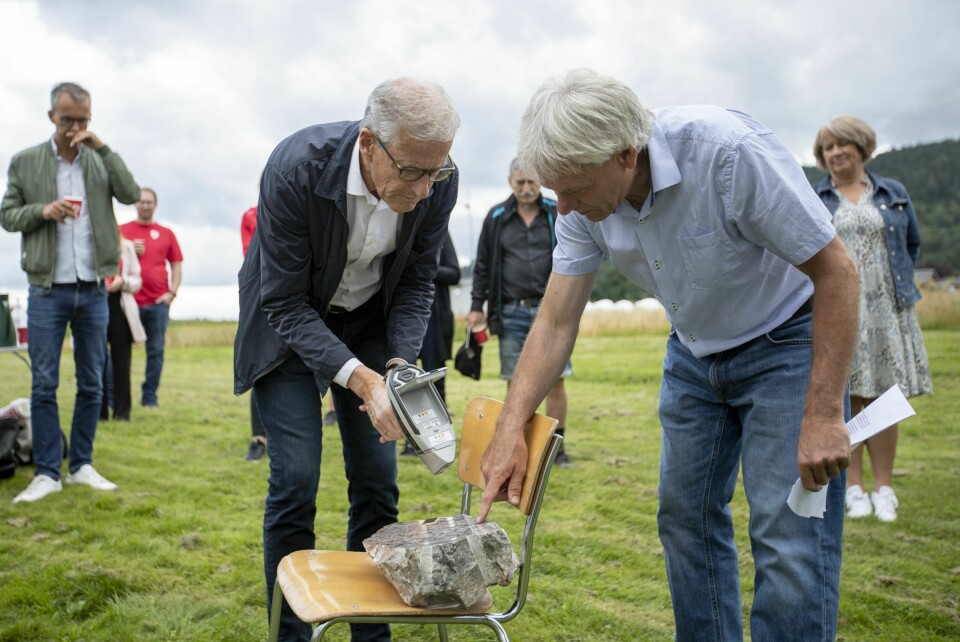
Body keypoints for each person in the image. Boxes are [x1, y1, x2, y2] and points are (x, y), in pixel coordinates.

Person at [476, 69, 859, 641]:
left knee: (788, 533)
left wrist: (825, 413)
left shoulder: (727, 154)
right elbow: (556, 320)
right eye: (557, 191)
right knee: (684, 520)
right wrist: (511, 425)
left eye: (575, 189)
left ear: (625, 155)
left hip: (787, 343)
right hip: (694, 355)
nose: (567, 208)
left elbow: (838, 272)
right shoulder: (582, 204)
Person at [233, 77, 460, 642]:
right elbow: (282, 299)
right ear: (367, 144)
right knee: (296, 481)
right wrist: (360, 381)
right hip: (288, 324)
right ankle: (293, 634)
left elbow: (415, 282)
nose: (427, 189)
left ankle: (369, 633)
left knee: (378, 485)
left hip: (371, 325)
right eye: (412, 172)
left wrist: (398, 367)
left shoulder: (436, 179)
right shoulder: (295, 168)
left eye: (438, 171)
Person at [1, 82, 140, 503]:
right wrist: (44, 211)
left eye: (83, 120)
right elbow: (7, 215)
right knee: (44, 384)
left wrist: (103, 147)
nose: (75, 128)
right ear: (51, 118)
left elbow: (132, 195)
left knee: (91, 383)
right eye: (68, 120)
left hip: (94, 289)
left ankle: (80, 465)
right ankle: (47, 472)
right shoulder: (25, 162)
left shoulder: (98, 161)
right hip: (46, 289)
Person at [812, 116, 932, 523]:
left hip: (887, 310)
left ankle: (885, 488)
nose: (835, 153)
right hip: (837, 311)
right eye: (827, 148)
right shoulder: (817, 197)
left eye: (842, 144)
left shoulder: (892, 193)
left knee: (884, 399)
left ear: (861, 147)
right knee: (849, 398)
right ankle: (855, 489)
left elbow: (911, 243)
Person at [468, 159, 574, 466]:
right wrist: (477, 306)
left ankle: (557, 449)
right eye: (520, 183)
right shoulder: (497, 217)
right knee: (516, 383)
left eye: (531, 182)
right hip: (511, 310)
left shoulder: (558, 211)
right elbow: (483, 265)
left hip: (552, 310)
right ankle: (520, 444)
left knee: (557, 380)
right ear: (509, 182)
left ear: (540, 182)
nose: (526, 189)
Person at [120, 188, 183, 407]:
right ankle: (117, 396)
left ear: (155, 205)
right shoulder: (122, 231)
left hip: (157, 304)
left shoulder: (166, 233)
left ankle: (149, 397)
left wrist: (171, 293)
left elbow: (176, 264)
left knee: (155, 352)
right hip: (128, 303)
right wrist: (126, 249)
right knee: (119, 351)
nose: (145, 205)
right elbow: (111, 260)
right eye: (141, 201)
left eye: (149, 202)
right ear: (135, 204)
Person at [401, 231, 460, 456]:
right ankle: (410, 441)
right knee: (404, 381)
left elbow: (454, 273)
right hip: (403, 316)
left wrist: (421, 267)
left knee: (435, 382)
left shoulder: (442, 233)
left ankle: (439, 438)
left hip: (434, 316)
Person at [101, 231, 147, 421]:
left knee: (122, 363)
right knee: (97, 362)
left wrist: (123, 281)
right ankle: (99, 412)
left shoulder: (126, 247)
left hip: (120, 309)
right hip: (96, 306)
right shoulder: (88, 244)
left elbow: (137, 280)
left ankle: (122, 413)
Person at [239, 205, 267, 461]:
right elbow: (252, 255)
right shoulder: (251, 215)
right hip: (262, 293)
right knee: (261, 368)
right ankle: (258, 438)